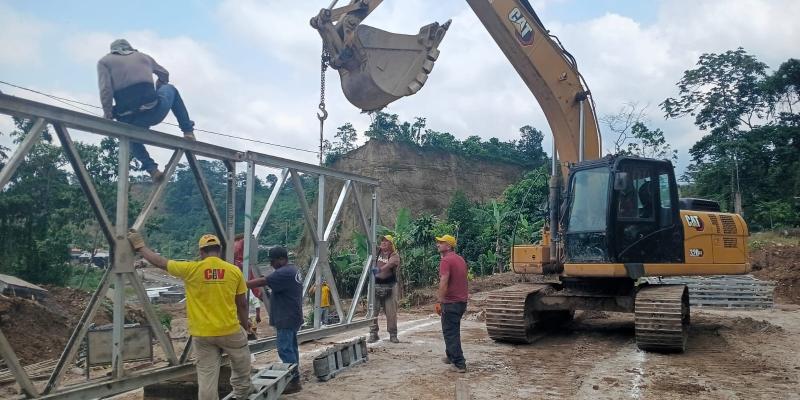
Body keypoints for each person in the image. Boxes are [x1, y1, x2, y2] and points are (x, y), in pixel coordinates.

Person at [127, 231, 253, 400]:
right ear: (220, 250)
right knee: (241, 361)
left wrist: (140, 246)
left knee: (207, 376)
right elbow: (242, 304)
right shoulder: (233, 271)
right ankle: (242, 392)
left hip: (202, 334)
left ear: (201, 252)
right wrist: (245, 327)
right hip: (229, 329)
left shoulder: (191, 269)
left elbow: (161, 263)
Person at [97, 39, 196, 181]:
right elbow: (164, 74)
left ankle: (152, 170)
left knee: (128, 133)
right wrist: (160, 85)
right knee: (171, 89)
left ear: (112, 51)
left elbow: (105, 90)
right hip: (154, 111)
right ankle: (188, 131)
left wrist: (107, 115)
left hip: (128, 118)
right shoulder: (144, 57)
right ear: (131, 49)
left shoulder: (104, 62)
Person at [246, 246, 303, 394]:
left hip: (286, 317)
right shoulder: (293, 270)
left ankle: (293, 381)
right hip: (292, 315)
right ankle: (295, 378)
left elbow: (262, 281)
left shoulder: (284, 272)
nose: (271, 265)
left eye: (273, 261)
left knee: (285, 349)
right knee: (291, 348)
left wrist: (241, 284)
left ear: (281, 259)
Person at [434, 234, 468, 373]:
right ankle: (450, 356)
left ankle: (459, 363)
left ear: (448, 246)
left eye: (441, 242)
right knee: (452, 330)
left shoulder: (446, 261)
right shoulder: (460, 259)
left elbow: (444, 281)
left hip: (451, 302)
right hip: (461, 301)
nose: (438, 244)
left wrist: (439, 301)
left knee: (450, 332)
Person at [369, 234, 401, 343]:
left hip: (390, 286)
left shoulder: (394, 254)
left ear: (391, 244)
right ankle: (373, 334)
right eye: (382, 241)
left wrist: (380, 269)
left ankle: (393, 334)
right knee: (373, 311)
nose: (383, 242)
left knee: (391, 312)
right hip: (376, 285)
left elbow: (392, 263)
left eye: (386, 241)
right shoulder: (377, 252)